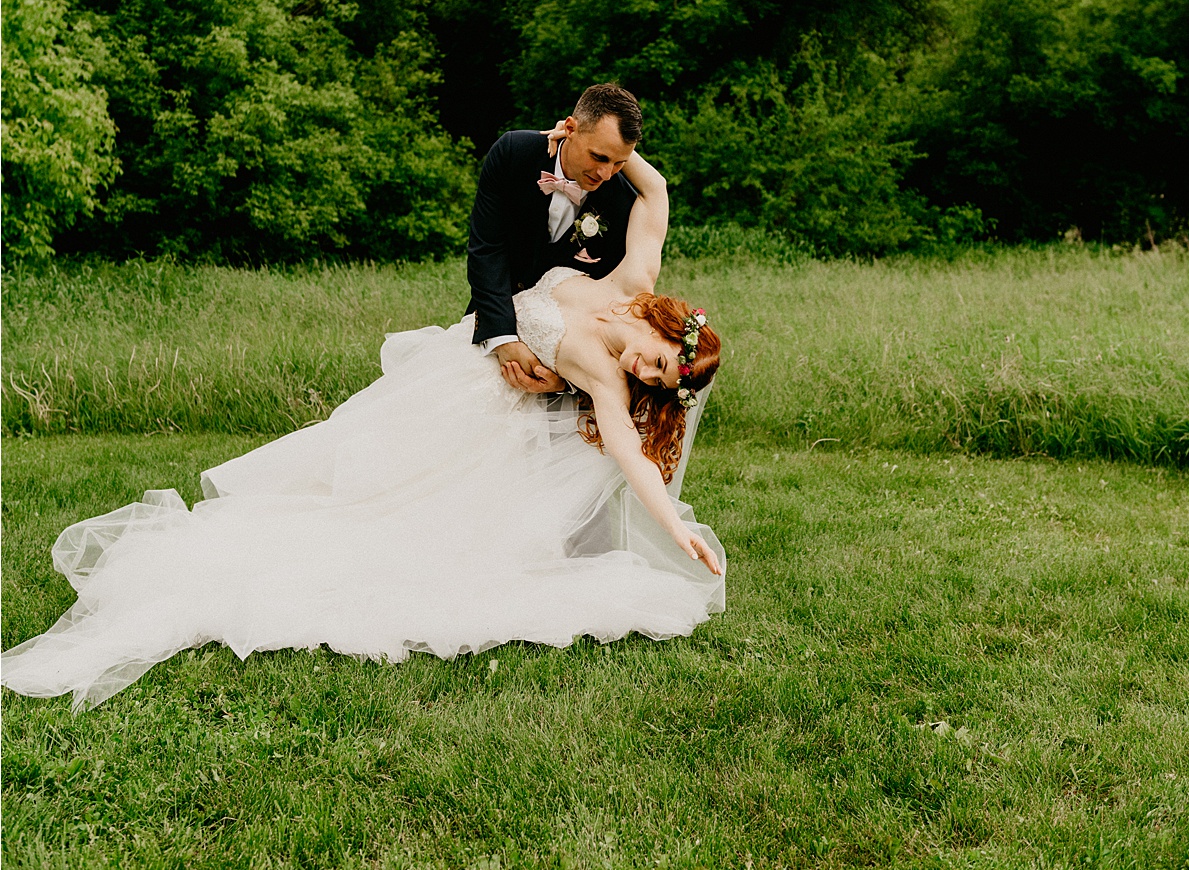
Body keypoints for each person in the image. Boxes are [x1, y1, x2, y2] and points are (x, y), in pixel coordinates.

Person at [2, 134, 724, 713]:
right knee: (344, 473)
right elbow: (655, 192)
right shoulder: (632, 281)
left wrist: (676, 525)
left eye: (656, 380)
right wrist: (608, 144)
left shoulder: (602, 371)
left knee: (390, 523)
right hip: (447, 377)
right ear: (666, 324)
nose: (644, 371)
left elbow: (628, 450)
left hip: (478, 423)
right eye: (659, 360)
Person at [467, 83, 642, 396]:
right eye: (599, 156)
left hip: (563, 361)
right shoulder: (513, 153)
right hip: (491, 323)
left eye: (619, 164)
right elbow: (487, 249)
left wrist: (567, 379)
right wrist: (504, 340)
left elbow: (610, 302)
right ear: (570, 128)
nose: (605, 174)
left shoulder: (625, 203)